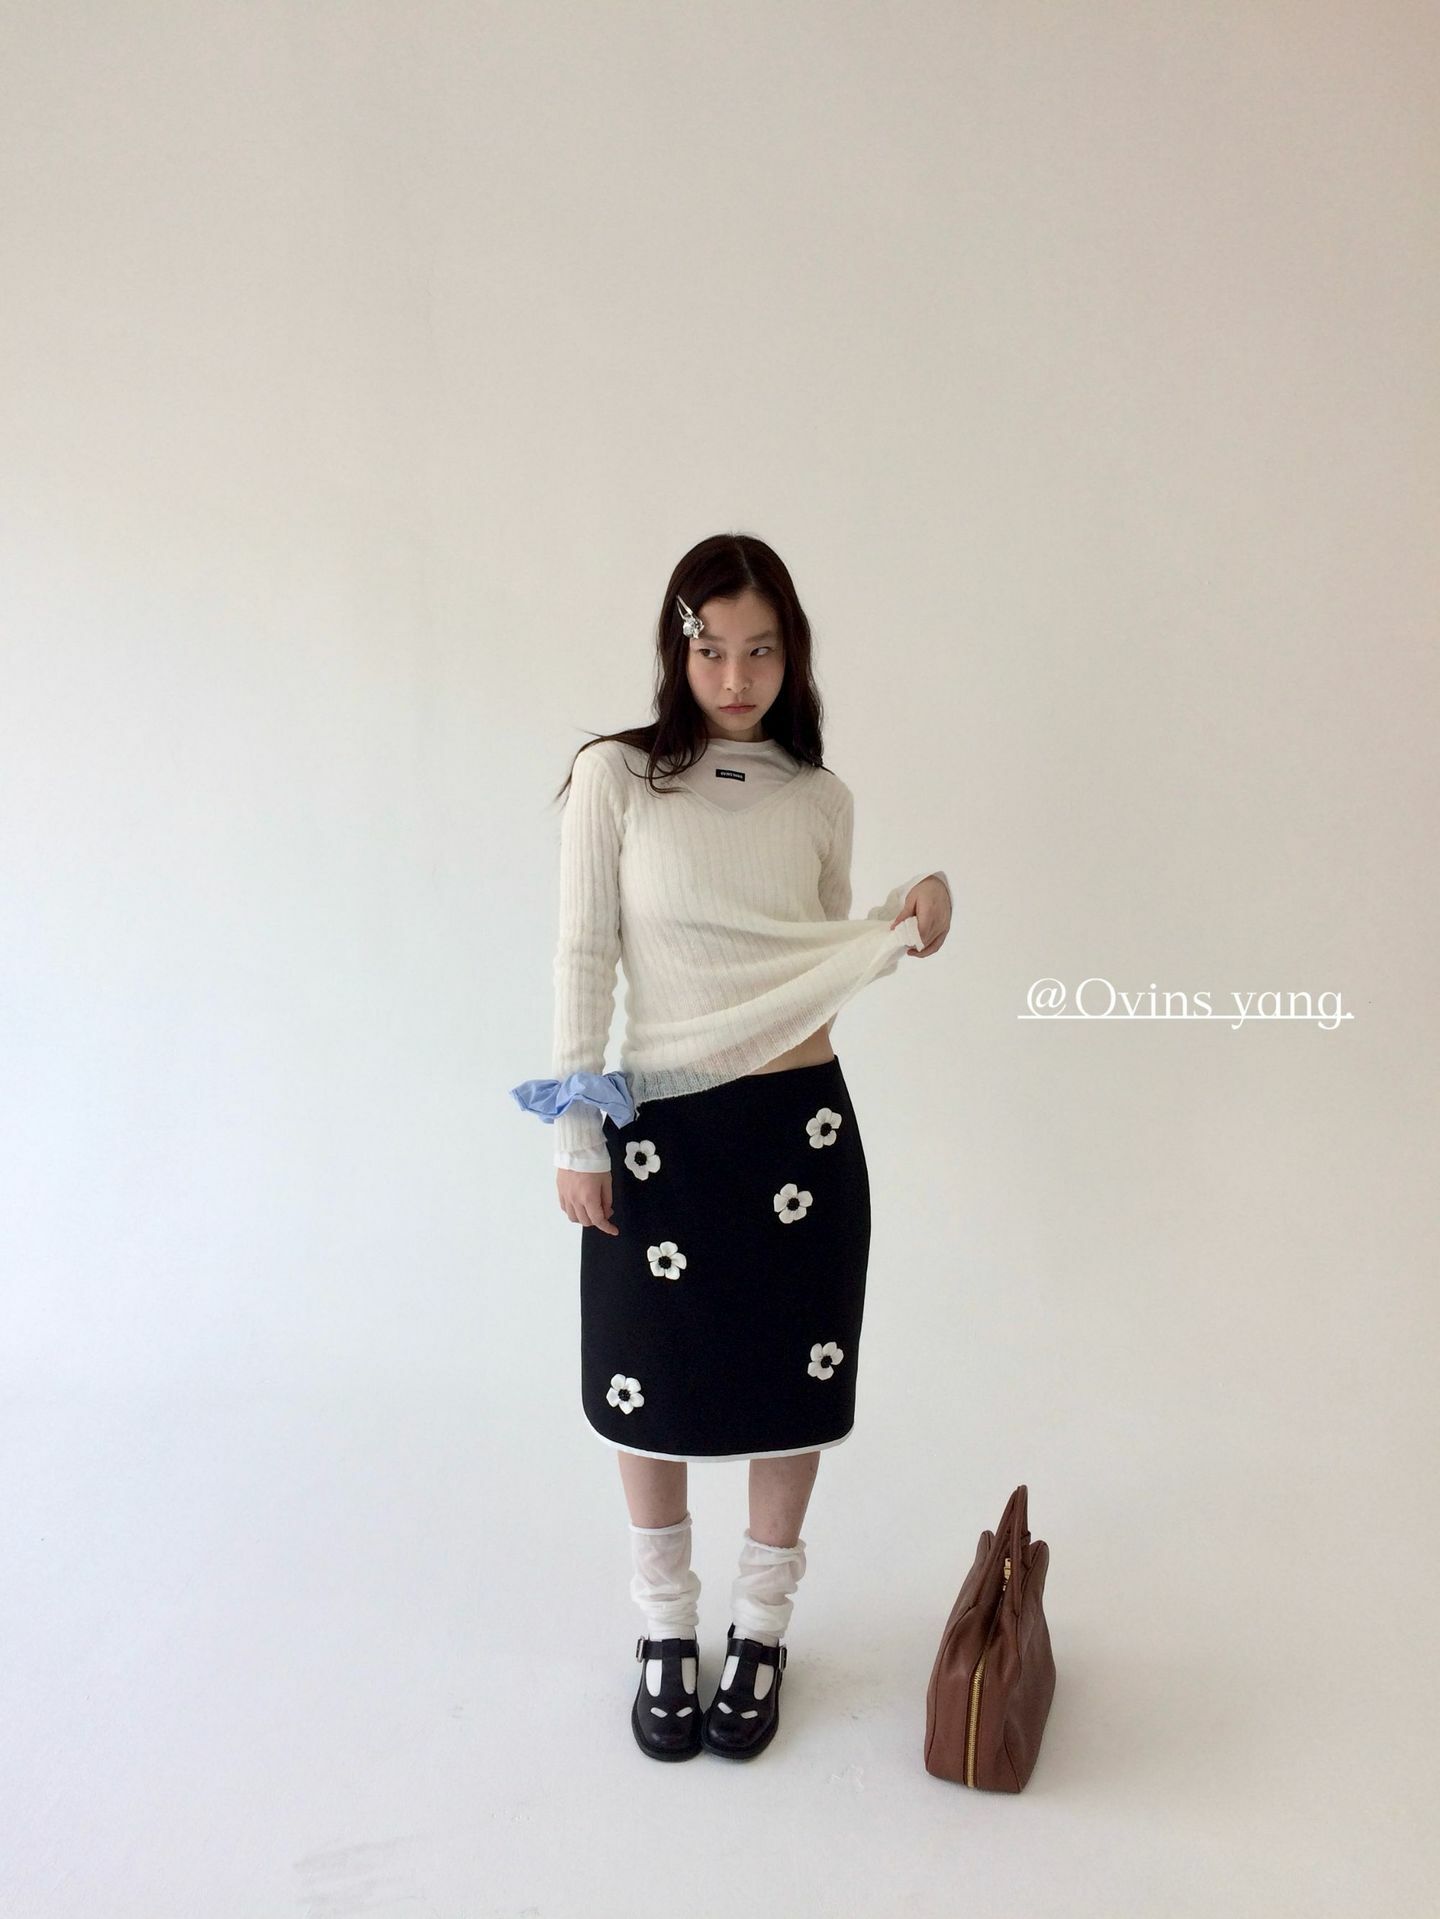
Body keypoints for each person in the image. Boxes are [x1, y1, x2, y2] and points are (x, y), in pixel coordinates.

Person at [510, 532, 951, 1762]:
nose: (737, 676)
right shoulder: (616, 776)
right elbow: (583, 955)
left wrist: (907, 912)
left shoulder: (820, 798)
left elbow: (806, 956)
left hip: (802, 1132)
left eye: (761, 650)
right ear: (677, 649)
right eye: (712, 649)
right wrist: (578, 1131)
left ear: (791, 654)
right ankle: (665, 1624)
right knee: (647, 1382)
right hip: (660, 1131)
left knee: (784, 1387)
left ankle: (761, 1627)